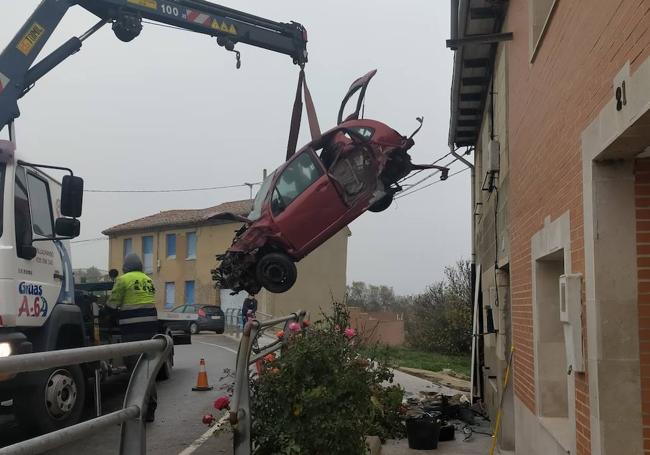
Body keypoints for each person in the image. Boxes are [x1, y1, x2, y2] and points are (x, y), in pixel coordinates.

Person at [106, 253, 158, 422]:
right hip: (150, 330)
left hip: (133, 331)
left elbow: (113, 305)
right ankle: (150, 408)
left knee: (135, 372)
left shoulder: (123, 280)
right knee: (147, 370)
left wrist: (103, 312)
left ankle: (137, 410)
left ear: (125, 267)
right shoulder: (148, 279)